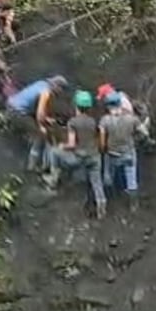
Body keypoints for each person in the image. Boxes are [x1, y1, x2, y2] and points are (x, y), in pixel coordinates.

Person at [44, 91, 107, 219]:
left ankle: (53, 180)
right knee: (97, 182)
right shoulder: (93, 121)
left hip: (79, 158)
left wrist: (63, 146)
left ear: (76, 105)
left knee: (54, 152)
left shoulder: (73, 122)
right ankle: (101, 205)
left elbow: (72, 144)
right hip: (94, 157)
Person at [5, 76, 68, 172]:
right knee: (40, 135)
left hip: (10, 104)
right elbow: (40, 113)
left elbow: (37, 105)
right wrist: (41, 126)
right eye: (61, 90)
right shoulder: (46, 92)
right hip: (18, 112)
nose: (60, 94)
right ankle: (32, 165)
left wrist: (47, 119)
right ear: (57, 87)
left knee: (34, 127)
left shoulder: (41, 83)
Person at [98, 93, 141, 204]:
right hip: (128, 152)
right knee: (131, 178)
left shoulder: (104, 120)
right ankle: (133, 204)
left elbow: (102, 143)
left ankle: (110, 200)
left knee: (108, 177)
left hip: (112, 153)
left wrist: (103, 151)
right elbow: (142, 134)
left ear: (108, 106)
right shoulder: (132, 119)